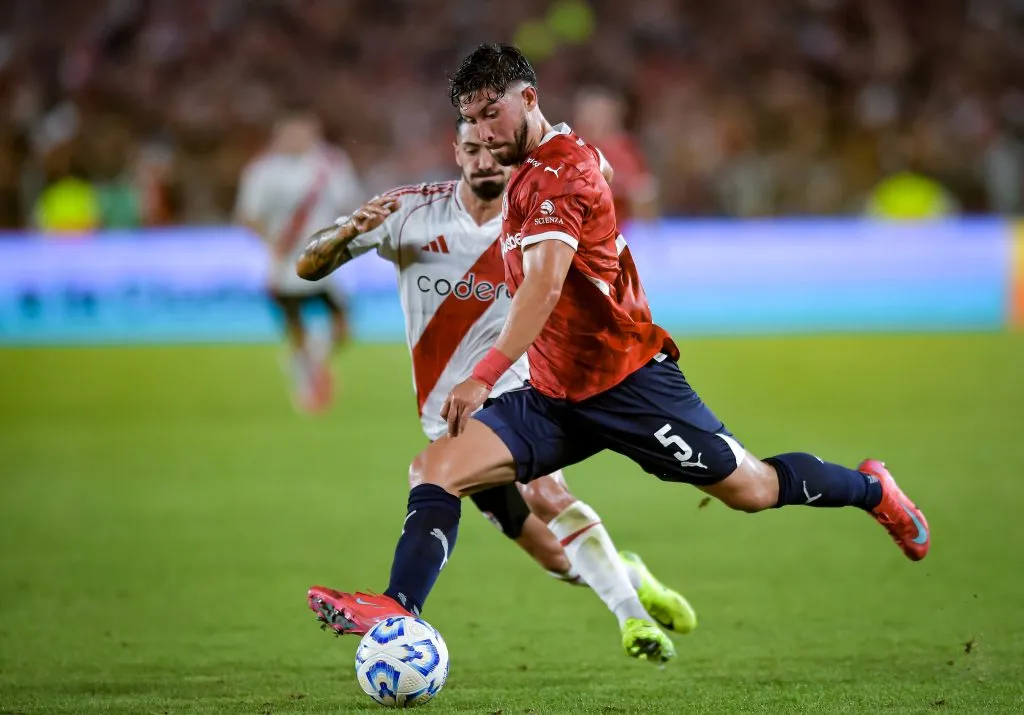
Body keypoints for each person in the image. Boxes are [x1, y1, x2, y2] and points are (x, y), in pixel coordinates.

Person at [306, 43, 930, 664]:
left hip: (627, 384)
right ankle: (398, 607)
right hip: (553, 394)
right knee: (436, 469)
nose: (483, 132)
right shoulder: (535, 166)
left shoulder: (557, 174)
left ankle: (874, 492)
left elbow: (545, 286)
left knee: (754, 490)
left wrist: (483, 376)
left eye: (492, 113)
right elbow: (592, 172)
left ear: (529, 98)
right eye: (470, 120)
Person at [297, 116, 695, 662]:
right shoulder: (409, 211)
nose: (485, 161)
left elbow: (591, 191)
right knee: (554, 558)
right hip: (447, 416)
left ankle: (631, 619)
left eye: (493, 149)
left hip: (517, 393)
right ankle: (629, 575)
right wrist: (343, 234)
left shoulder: (537, 213)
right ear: (455, 151)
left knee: (547, 493)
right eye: (472, 150)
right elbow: (307, 265)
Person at [235, 106, 363, 412]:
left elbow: (351, 203)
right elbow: (246, 215)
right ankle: (307, 377)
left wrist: (340, 236)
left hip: (325, 262)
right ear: (279, 135)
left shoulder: (331, 164)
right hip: (285, 266)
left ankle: (309, 360)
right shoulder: (263, 170)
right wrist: (271, 242)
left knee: (343, 326)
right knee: (296, 327)